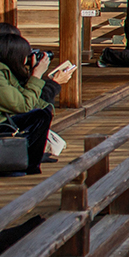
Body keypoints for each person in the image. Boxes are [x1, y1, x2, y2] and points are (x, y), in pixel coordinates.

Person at [0, 24, 74, 174]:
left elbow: (35, 102)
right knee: (40, 116)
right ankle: (28, 165)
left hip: (6, 120)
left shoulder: (7, 72)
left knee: (42, 114)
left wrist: (34, 77)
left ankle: (29, 162)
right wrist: (37, 76)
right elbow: (24, 105)